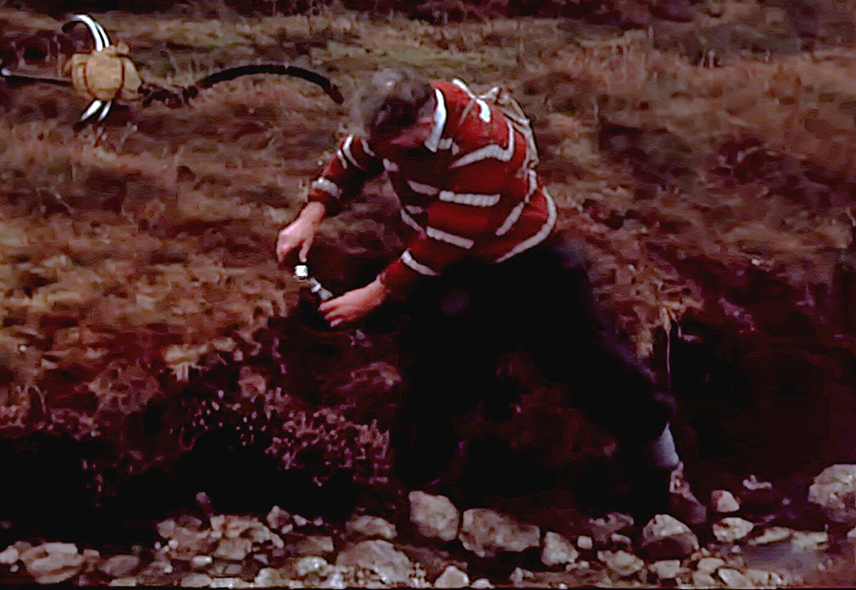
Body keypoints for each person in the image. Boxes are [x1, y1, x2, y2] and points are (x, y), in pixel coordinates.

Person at [276, 67, 707, 525]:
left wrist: (374, 294)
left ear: (422, 126)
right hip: (461, 268)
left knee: (590, 361)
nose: (380, 153)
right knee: (438, 367)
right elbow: (354, 157)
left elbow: (445, 240)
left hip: (529, 261)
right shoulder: (391, 126)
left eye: (389, 145)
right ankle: (420, 484)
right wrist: (312, 214)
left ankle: (662, 468)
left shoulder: (485, 143)